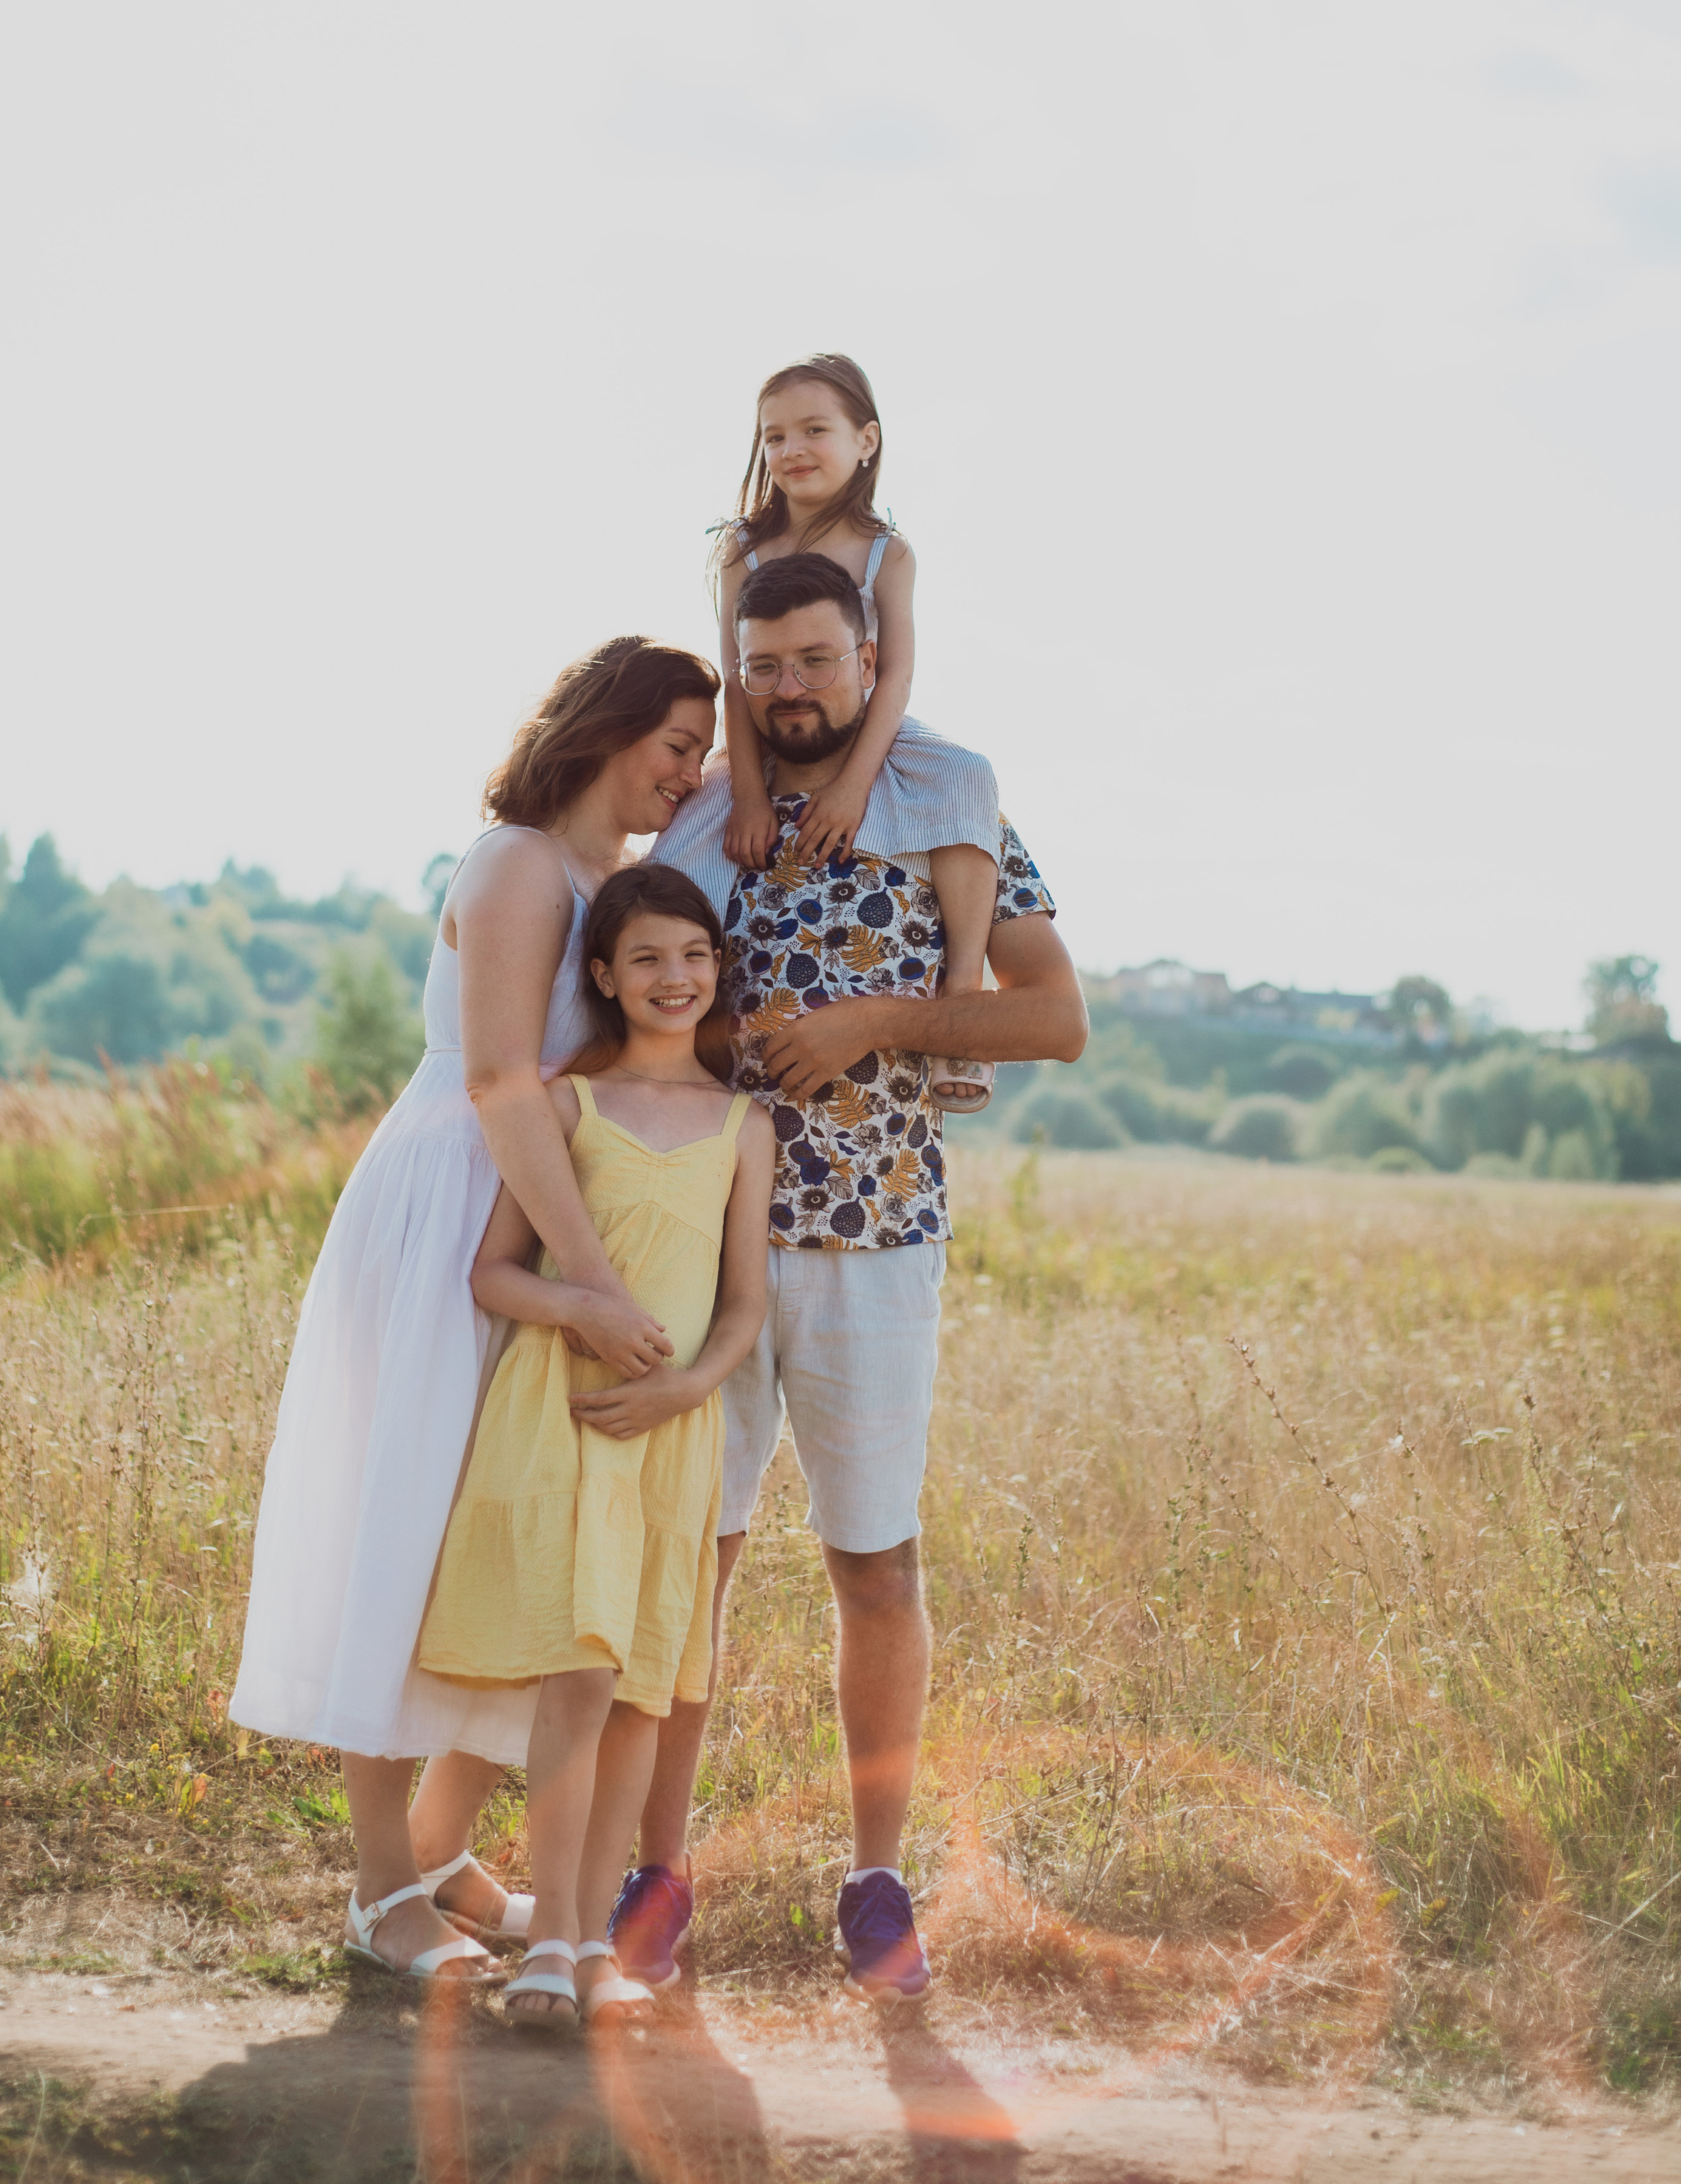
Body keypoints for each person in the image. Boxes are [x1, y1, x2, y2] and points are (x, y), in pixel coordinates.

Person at [629, 549, 1088, 2005]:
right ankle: (654, 1872)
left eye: (816, 659)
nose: (789, 688)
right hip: (703, 1242)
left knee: (875, 1566)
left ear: (869, 657)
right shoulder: (703, 816)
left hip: (880, 1239)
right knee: (686, 1561)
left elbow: (1055, 1018)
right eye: (764, 664)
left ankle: (876, 1882)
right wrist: (733, 1046)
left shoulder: (943, 802)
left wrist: (873, 1021)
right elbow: (627, 994)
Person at [228, 637, 719, 1981]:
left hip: (538, 1215)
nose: (689, 773)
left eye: (699, 751)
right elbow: (503, 1081)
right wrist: (591, 1283)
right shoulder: (515, 862)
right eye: (677, 743)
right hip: (458, 1202)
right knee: (407, 1526)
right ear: (611, 728)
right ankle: (381, 1889)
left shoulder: (610, 883)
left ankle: (441, 1857)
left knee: (493, 1539)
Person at [417, 866, 772, 2027]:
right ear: (606, 977)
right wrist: (584, 1310)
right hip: (565, 1419)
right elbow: (494, 1272)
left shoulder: (744, 1124)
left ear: (718, 967)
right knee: (577, 1673)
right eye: (649, 958)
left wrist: (688, 1388)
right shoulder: (570, 1105)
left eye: (695, 955)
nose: (677, 977)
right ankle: (551, 1943)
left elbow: (745, 1304)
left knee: (639, 1694)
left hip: (670, 1433)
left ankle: (589, 1941)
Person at [712, 352, 1001, 1109]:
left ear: (866, 440)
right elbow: (736, 677)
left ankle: (963, 990)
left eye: (815, 430)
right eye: (775, 437)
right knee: (681, 846)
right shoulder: (740, 550)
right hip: (763, 727)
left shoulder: (886, 553)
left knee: (967, 776)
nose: (792, 450)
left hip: (869, 729)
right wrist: (749, 795)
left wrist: (850, 789)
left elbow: (894, 675)